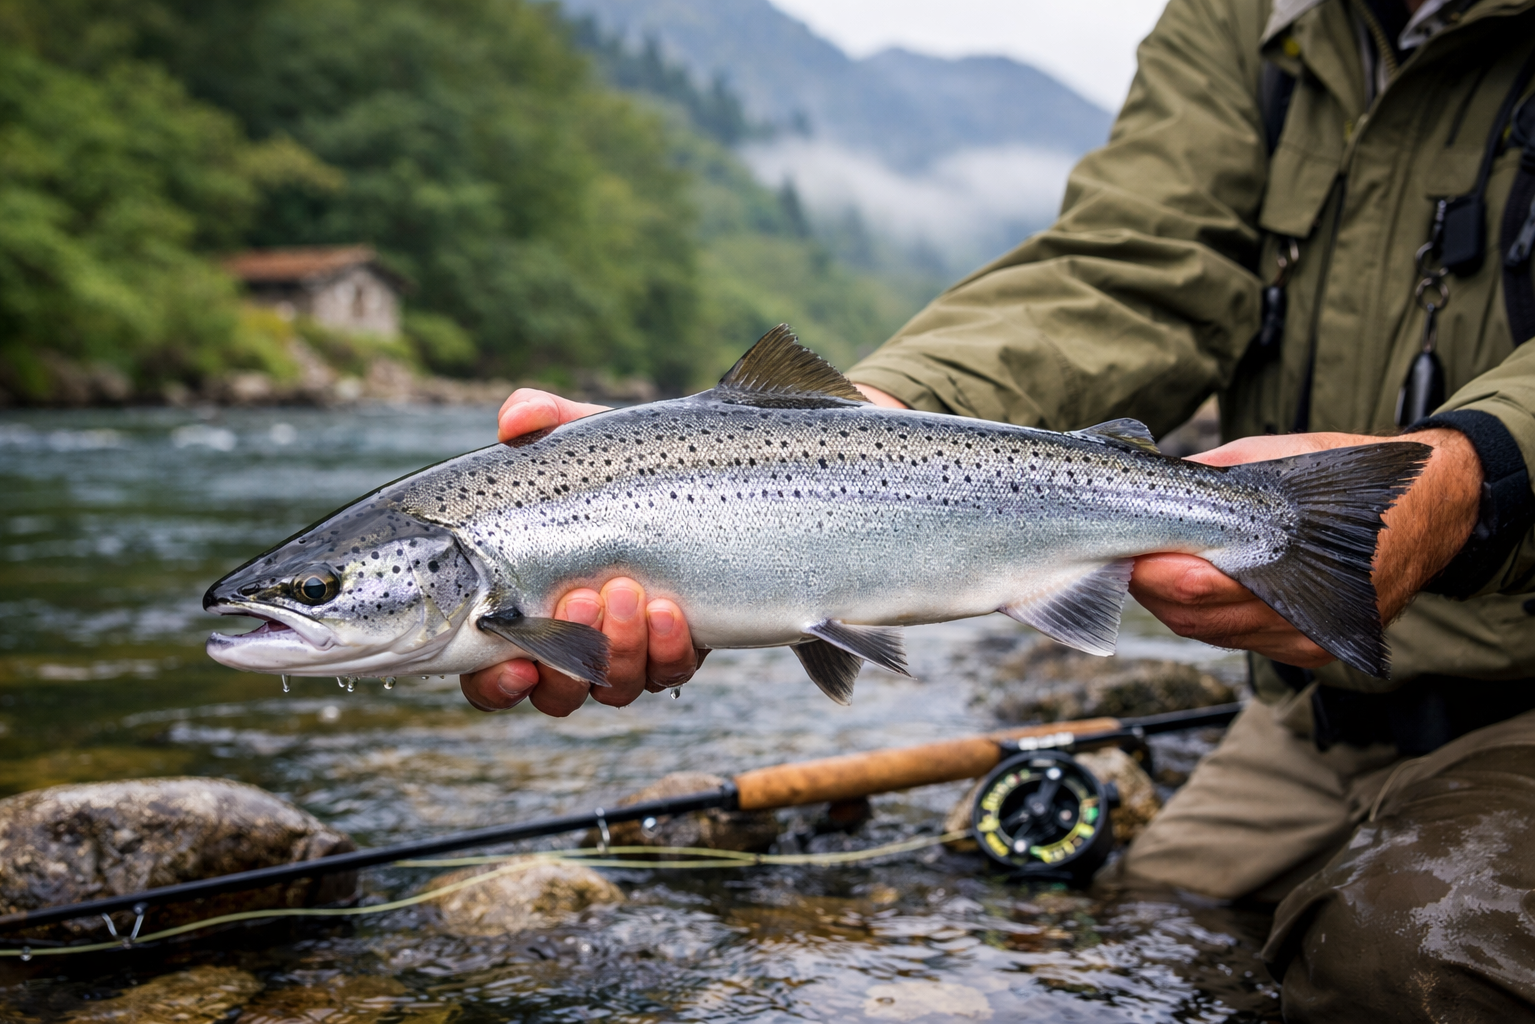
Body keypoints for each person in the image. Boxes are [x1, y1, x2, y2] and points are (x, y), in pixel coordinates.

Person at [463, 0, 1535, 1018]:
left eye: (317, 595)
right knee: (1126, 931)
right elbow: (1133, 272)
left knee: (1403, 965)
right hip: (1309, 708)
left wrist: (1479, 475)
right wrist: (864, 424)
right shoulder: (1244, 17)